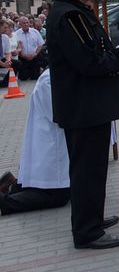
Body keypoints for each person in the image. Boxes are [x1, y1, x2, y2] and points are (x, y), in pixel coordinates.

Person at [34, 0, 119, 249]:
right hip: (84, 107)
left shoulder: (74, 11)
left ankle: (91, 216)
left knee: (91, 169)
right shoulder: (69, 16)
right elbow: (90, 62)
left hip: (87, 107)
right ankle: (87, 231)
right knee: (86, 170)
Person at [1, 70, 70, 215]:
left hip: (49, 151)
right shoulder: (48, 81)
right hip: (51, 151)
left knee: (41, 186)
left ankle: (15, 185)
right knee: (57, 196)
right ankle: (4, 203)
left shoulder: (54, 76)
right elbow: (60, 115)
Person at [14, 16, 47, 80]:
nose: (26, 24)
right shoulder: (16, 34)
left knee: (35, 77)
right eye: (24, 23)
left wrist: (35, 54)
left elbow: (40, 45)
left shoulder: (35, 32)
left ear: (29, 23)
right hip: (23, 58)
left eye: (27, 22)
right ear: (20, 24)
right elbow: (16, 47)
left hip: (34, 57)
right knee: (24, 78)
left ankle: (38, 70)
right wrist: (24, 56)